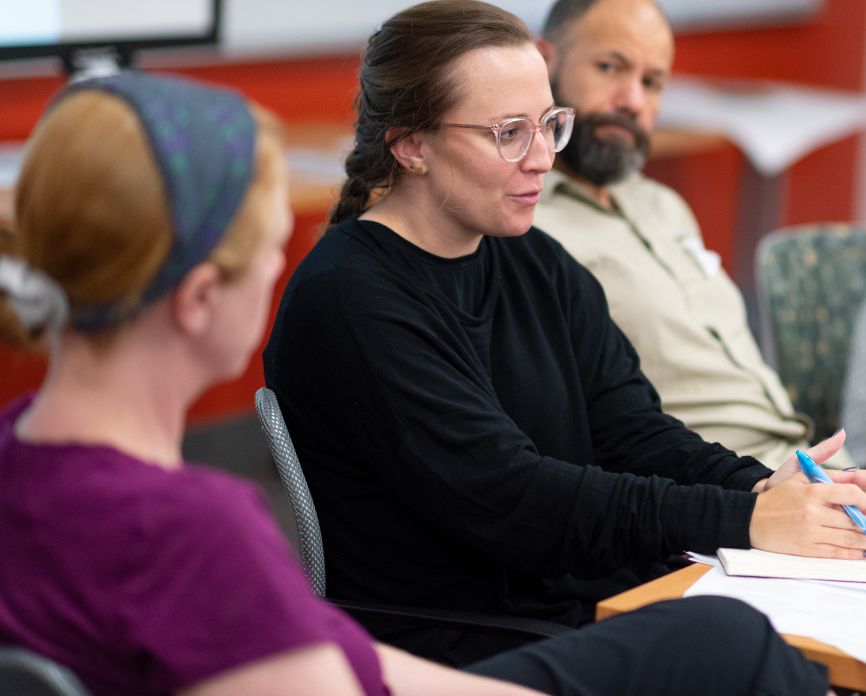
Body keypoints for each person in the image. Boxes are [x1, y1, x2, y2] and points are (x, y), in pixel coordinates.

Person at [0, 70, 826, 696]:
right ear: (200, 299)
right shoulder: (194, 534)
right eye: (266, 248)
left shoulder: (20, 457)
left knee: (709, 638)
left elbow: (326, 658)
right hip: (463, 631)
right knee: (732, 645)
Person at [263, 0, 866, 670]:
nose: (545, 157)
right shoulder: (351, 299)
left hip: (567, 603)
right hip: (464, 643)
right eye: (508, 133)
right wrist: (741, 520)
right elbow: (517, 500)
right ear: (411, 146)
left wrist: (763, 491)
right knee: (756, 657)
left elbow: (633, 433)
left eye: (550, 124)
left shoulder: (534, 260)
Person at [532, 0, 846, 469]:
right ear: (544, 61)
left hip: (818, 462)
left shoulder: (664, 205)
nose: (632, 99)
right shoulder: (524, 224)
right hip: (726, 488)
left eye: (652, 82)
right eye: (609, 67)